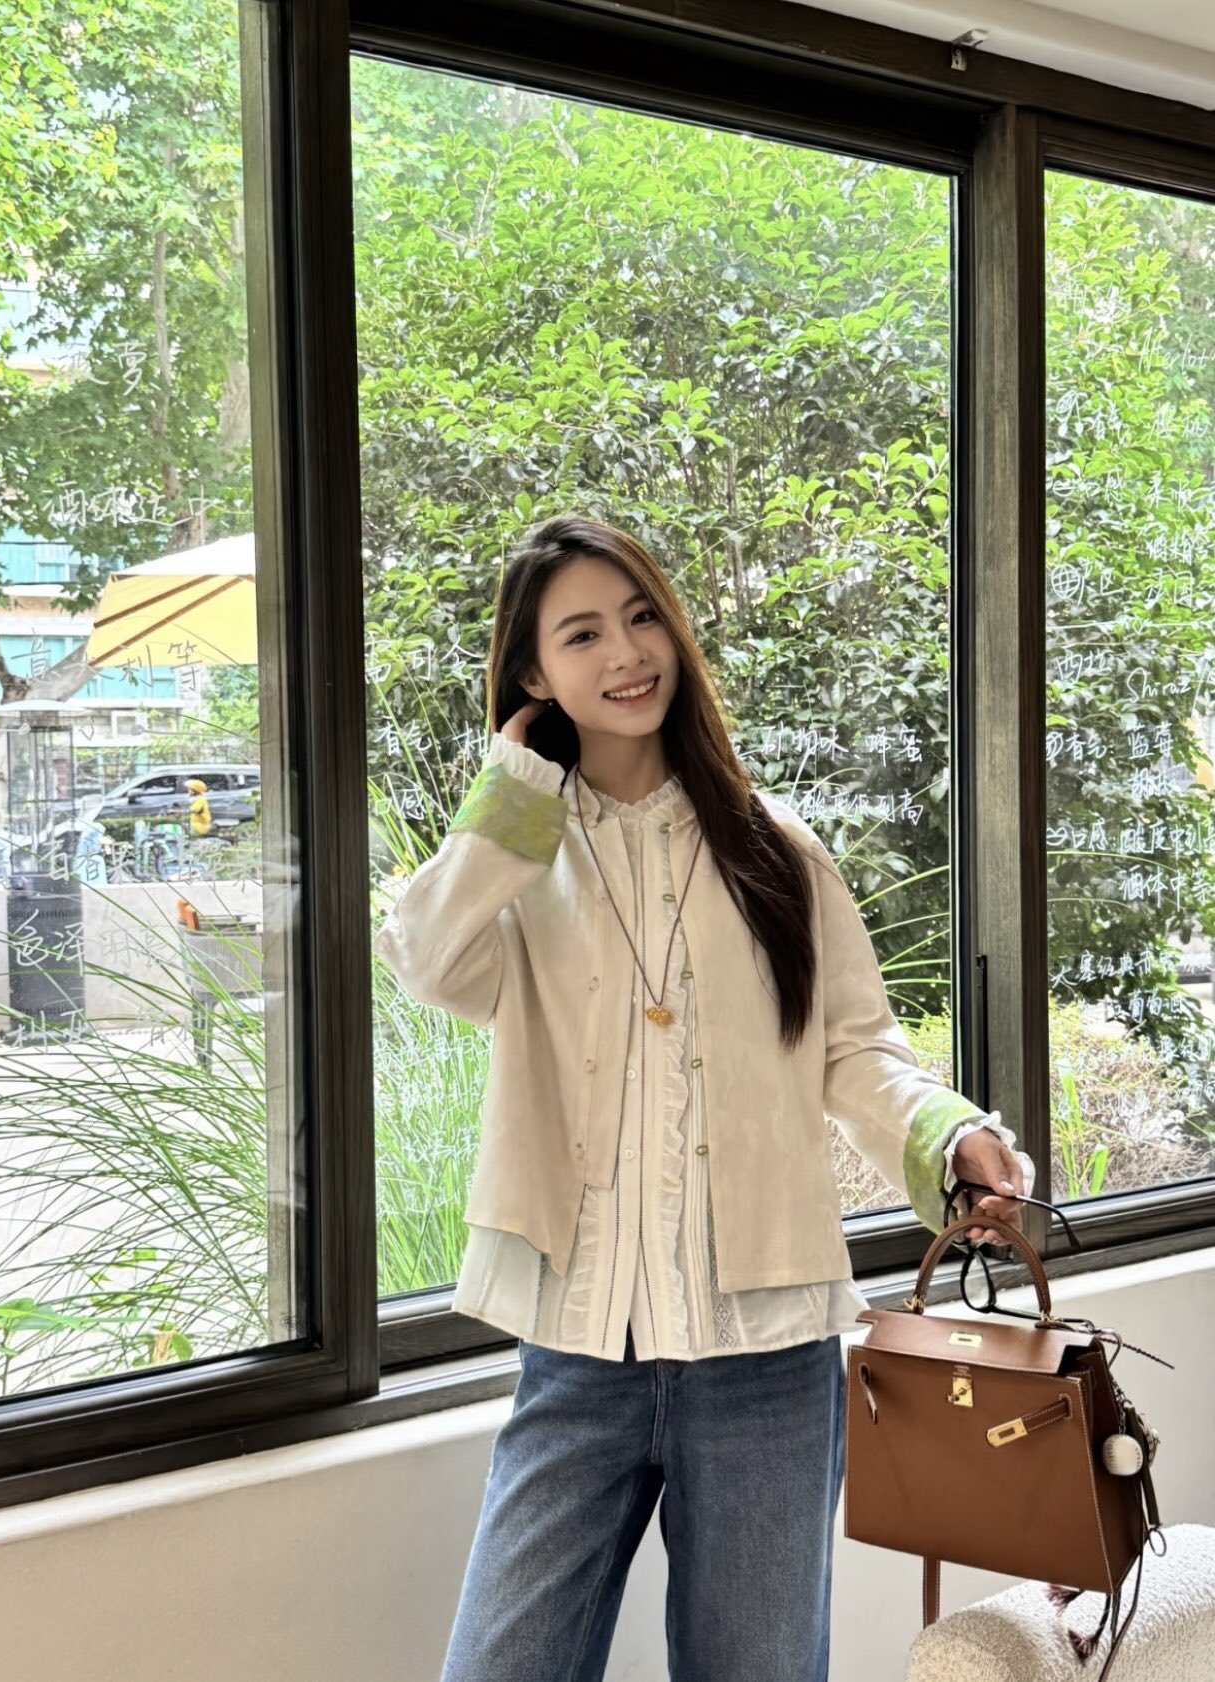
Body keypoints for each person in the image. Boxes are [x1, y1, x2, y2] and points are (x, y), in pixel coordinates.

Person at [372, 513, 1034, 1682]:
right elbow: (425, 960)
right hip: (577, 1355)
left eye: (642, 618)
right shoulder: (519, 859)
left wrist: (951, 1132)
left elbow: (854, 1048)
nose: (628, 653)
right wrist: (516, 785)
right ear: (534, 674)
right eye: (582, 634)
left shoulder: (776, 850)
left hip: (766, 1363)